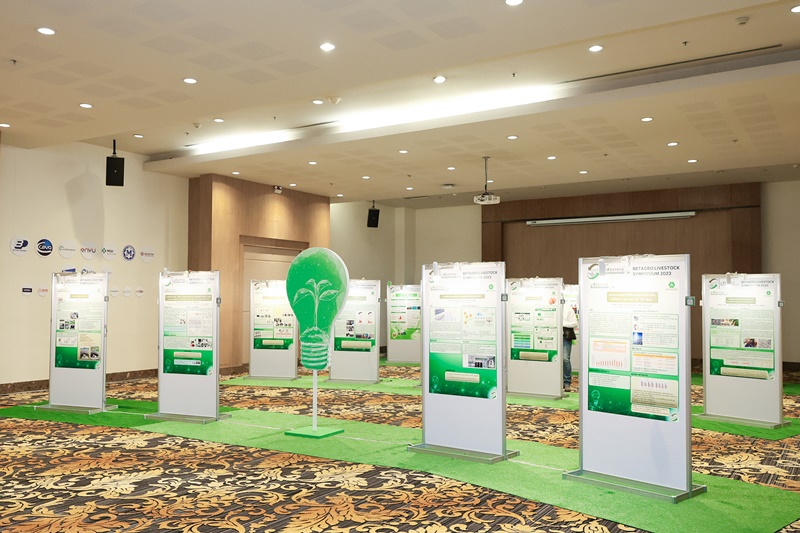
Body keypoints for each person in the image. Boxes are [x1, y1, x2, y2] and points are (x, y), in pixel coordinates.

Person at [562, 304, 579, 391]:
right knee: (553, 359)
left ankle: (567, 382)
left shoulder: (567, 309)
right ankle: (557, 381)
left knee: (565, 359)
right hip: (552, 336)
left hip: (565, 336)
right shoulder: (549, 308)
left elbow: (575, 323)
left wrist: (561, 324)